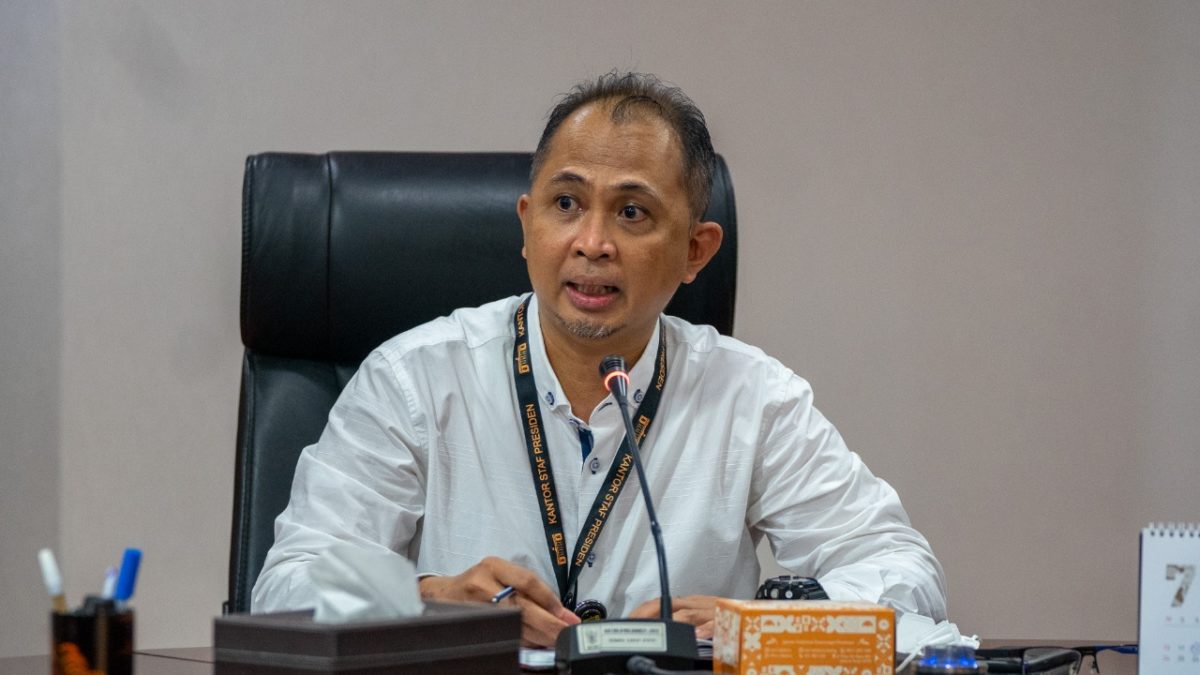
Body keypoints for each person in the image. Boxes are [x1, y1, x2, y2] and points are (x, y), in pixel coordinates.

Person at [252, 72, 947, 646]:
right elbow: (289, 585)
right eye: (565, 203)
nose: (592, 242)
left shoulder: (752, 398)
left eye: (632, 213)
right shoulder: (414, 381)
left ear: (696, 251)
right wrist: (425, 597)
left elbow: (904, 574)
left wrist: (765, 623)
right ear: (527, 225)